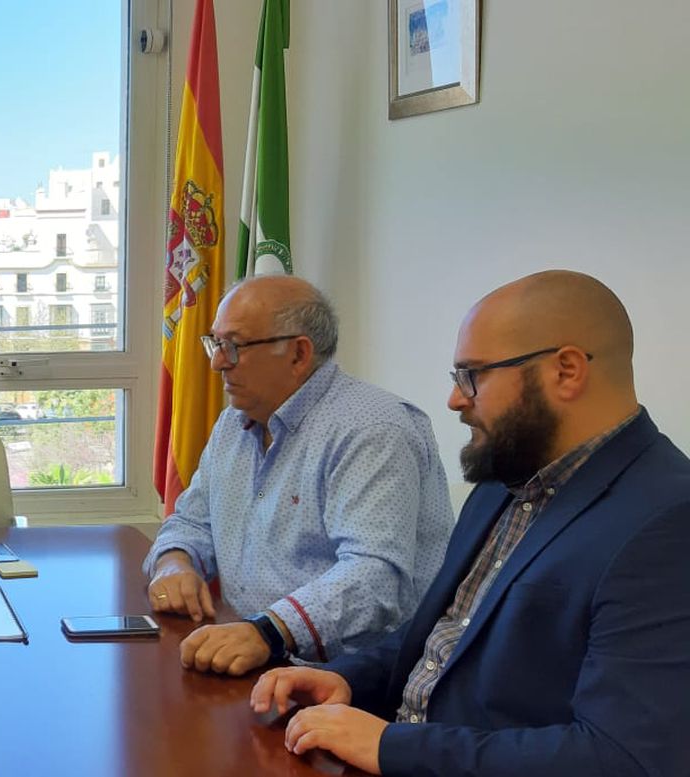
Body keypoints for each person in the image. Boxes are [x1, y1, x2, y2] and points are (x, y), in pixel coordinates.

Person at [252, 271, 690, 776]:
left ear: (566, 371)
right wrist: (348, 678)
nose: (455, 400)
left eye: (472, 376)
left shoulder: (667, 521)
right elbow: (447, 637)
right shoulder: (502, 481)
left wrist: (392, 747)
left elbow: (621, 759)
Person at [145, 275, 453, 675]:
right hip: (254, 658)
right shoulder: (232, 424)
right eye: (215, 343)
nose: (217, 362)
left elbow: (374, 579)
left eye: (233, 346)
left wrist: (269, 632)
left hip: (357, 681)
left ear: (298, 354)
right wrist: (175, 562)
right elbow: (192, 520)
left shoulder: (371, 429)